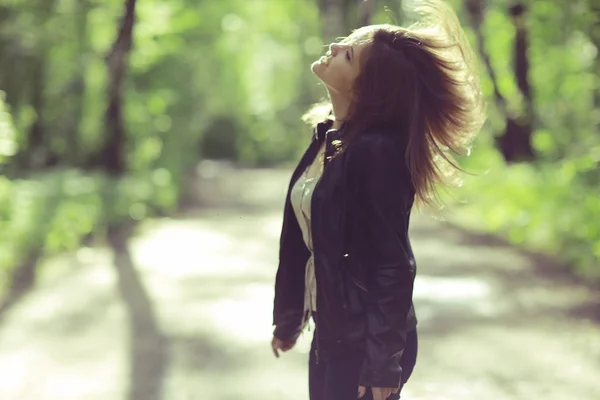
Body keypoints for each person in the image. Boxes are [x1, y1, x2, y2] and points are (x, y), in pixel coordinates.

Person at [271, 1, 485, 399]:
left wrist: (383, 361)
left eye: (348, 53)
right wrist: (288, 319)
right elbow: (301, 240)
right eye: (344, 42)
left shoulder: (375, 151)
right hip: (334, 334)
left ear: (365, 85)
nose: (335, 47)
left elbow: (392, 263)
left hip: (365, 346)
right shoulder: (328, 140)